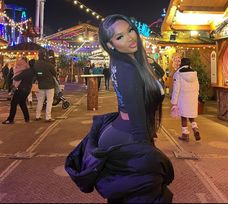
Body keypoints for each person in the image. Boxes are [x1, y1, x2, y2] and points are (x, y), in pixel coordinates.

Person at [65, 14, 174, 203]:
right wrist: (145, 152)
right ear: (110, 45)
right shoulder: (127, 68)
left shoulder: (130, 62)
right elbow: (136, 115)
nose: (130, 37)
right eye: (120, 36)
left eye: (130, 30)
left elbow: (127, 101)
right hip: (129, 136)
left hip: (124, 131)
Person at [171, 57, 201, 142]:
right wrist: (197, 96)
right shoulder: (194, 73)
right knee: (191, 115)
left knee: (184, 116)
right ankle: (195, 128)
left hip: (183, 97)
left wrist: (174, 102)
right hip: (193, 97)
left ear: (182, 63)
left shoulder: (178, 73)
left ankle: (185, 134)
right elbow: (197, 86)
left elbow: (176, 89)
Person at [2, 59, 35, 124]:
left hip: (21, 89)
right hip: (27, 89)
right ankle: (27, 118)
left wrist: (14, 75)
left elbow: (17, 78)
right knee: (22, 103)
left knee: (13, 103)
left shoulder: (27, 71)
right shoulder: (32, 71)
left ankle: (10, 119)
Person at [34, 48, 57, 122]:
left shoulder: (36, 64)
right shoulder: (48, 64)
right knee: (49, 101)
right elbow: (54, 73)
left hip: (41, 84)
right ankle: (48, 117)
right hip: (49, 84)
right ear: (45, 55)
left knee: (40, 101)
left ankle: (37, 116)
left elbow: (36, 73)